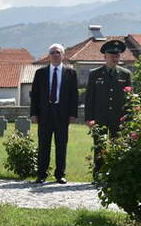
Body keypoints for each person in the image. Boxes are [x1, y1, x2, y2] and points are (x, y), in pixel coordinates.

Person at [29, 44, 78, 184]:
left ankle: (60, 174)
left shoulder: (71, 73)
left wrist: (73, 114)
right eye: (52, 52)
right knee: (43, 144)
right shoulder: (40, 73)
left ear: (63, 55)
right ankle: (41, 174)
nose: (55, 55)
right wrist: (34, 113)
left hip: (62, 113)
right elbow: (35, 95)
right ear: (49, 56)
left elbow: (74, 95)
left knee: (61, 145)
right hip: (44, 113)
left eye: (58, 52)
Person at [84, 40, 132, 173]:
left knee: (118, 146)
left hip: (119, 118)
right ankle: (99, 173)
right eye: (112, 55)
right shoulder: (95, 74)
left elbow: (129, 99)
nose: (115, 58)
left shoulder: (125, 74)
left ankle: (115, 174)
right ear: (105, 56)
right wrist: (88, 118)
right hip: (100, 117)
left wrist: (129, 119)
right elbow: (89, 98)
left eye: (117, 55)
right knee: (99, 146)